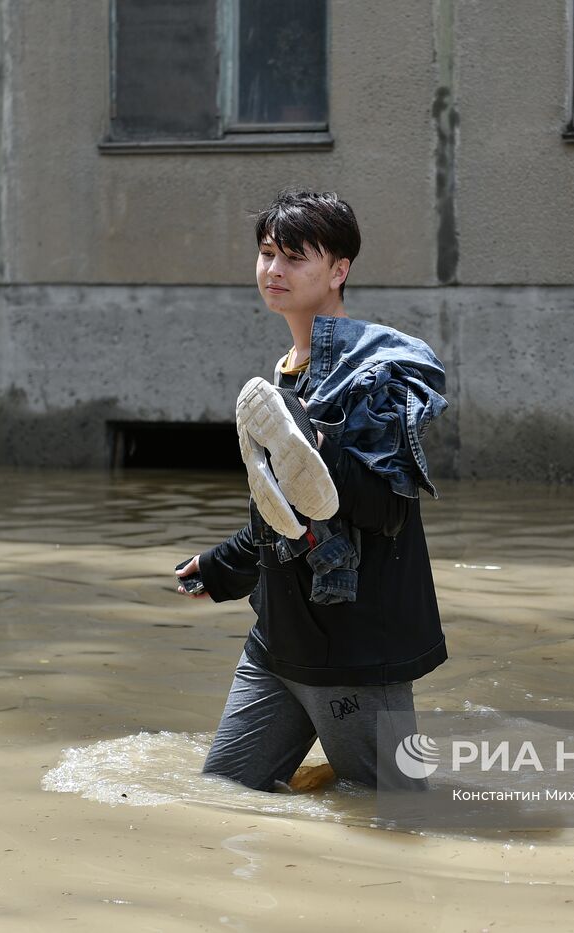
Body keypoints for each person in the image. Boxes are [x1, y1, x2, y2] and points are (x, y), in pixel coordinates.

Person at [175, 189, 448, 791]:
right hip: (276, 642)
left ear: (339, 270)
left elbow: (385, 509)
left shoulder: (382, 369)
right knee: (222, 796)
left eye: (295, 257)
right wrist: (223, 567)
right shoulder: (284, 372)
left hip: (355, 649)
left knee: (398, 817)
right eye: (267, 253)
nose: (274, 270)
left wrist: (313, 446)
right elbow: (277, 509)